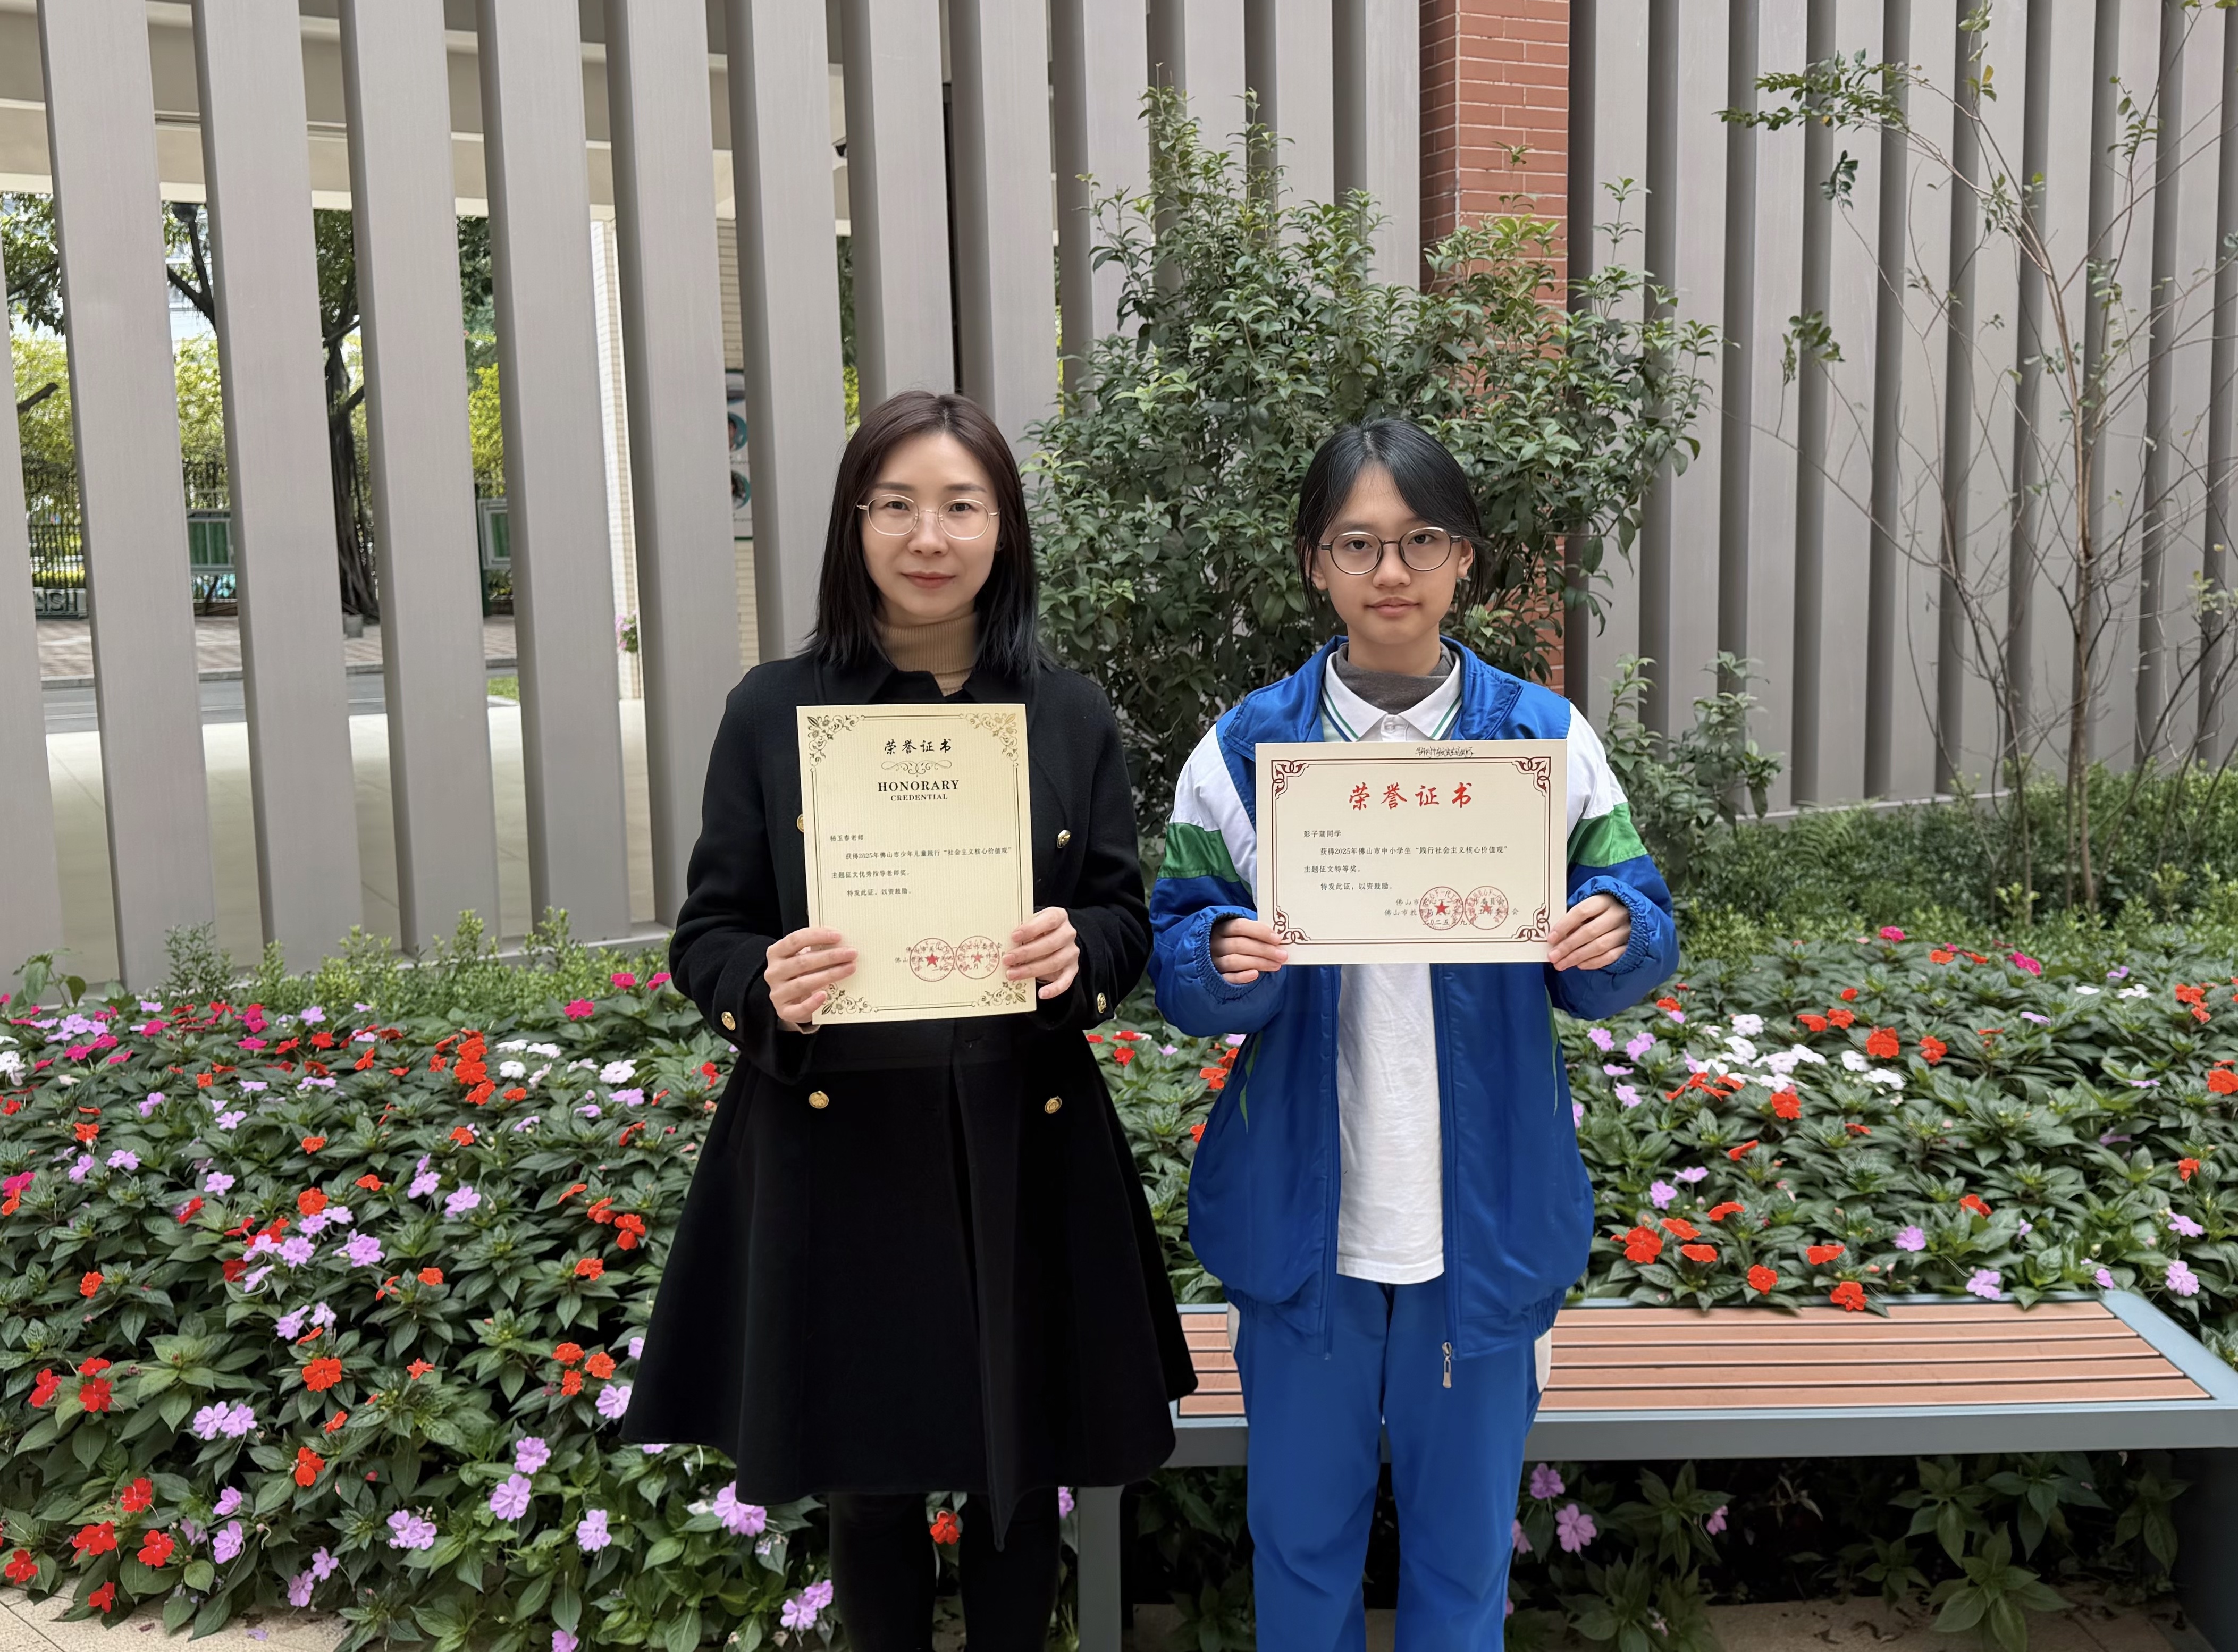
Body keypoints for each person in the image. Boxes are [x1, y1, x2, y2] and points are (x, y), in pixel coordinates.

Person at [626, 390, 1194, 1651]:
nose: (927, 536)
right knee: (866, 1481)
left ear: (1003, 528)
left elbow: (1120, 914)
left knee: (1020, 1478)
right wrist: (760, 981)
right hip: (837, 1139)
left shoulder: (1066, 712)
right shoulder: (772, 710)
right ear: (854, 523)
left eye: (959, 506)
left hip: (1021, 1128)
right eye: (895, 505)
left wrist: (1078, 952)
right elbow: (708, 934)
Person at [1147, 418, 1679, 1649]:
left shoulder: (1543, 741)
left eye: (1420, 540)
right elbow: (1176, 949)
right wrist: (1214, 960)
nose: (1390, 571)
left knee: (1462, 1555)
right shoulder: (1242, 753)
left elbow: (1637, 917)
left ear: (1464, 559)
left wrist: (1616, 931)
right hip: (1303, 1231)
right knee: (1300, 1546)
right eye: (1357, 543)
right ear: (1313, 563)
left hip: (1482, 1229)